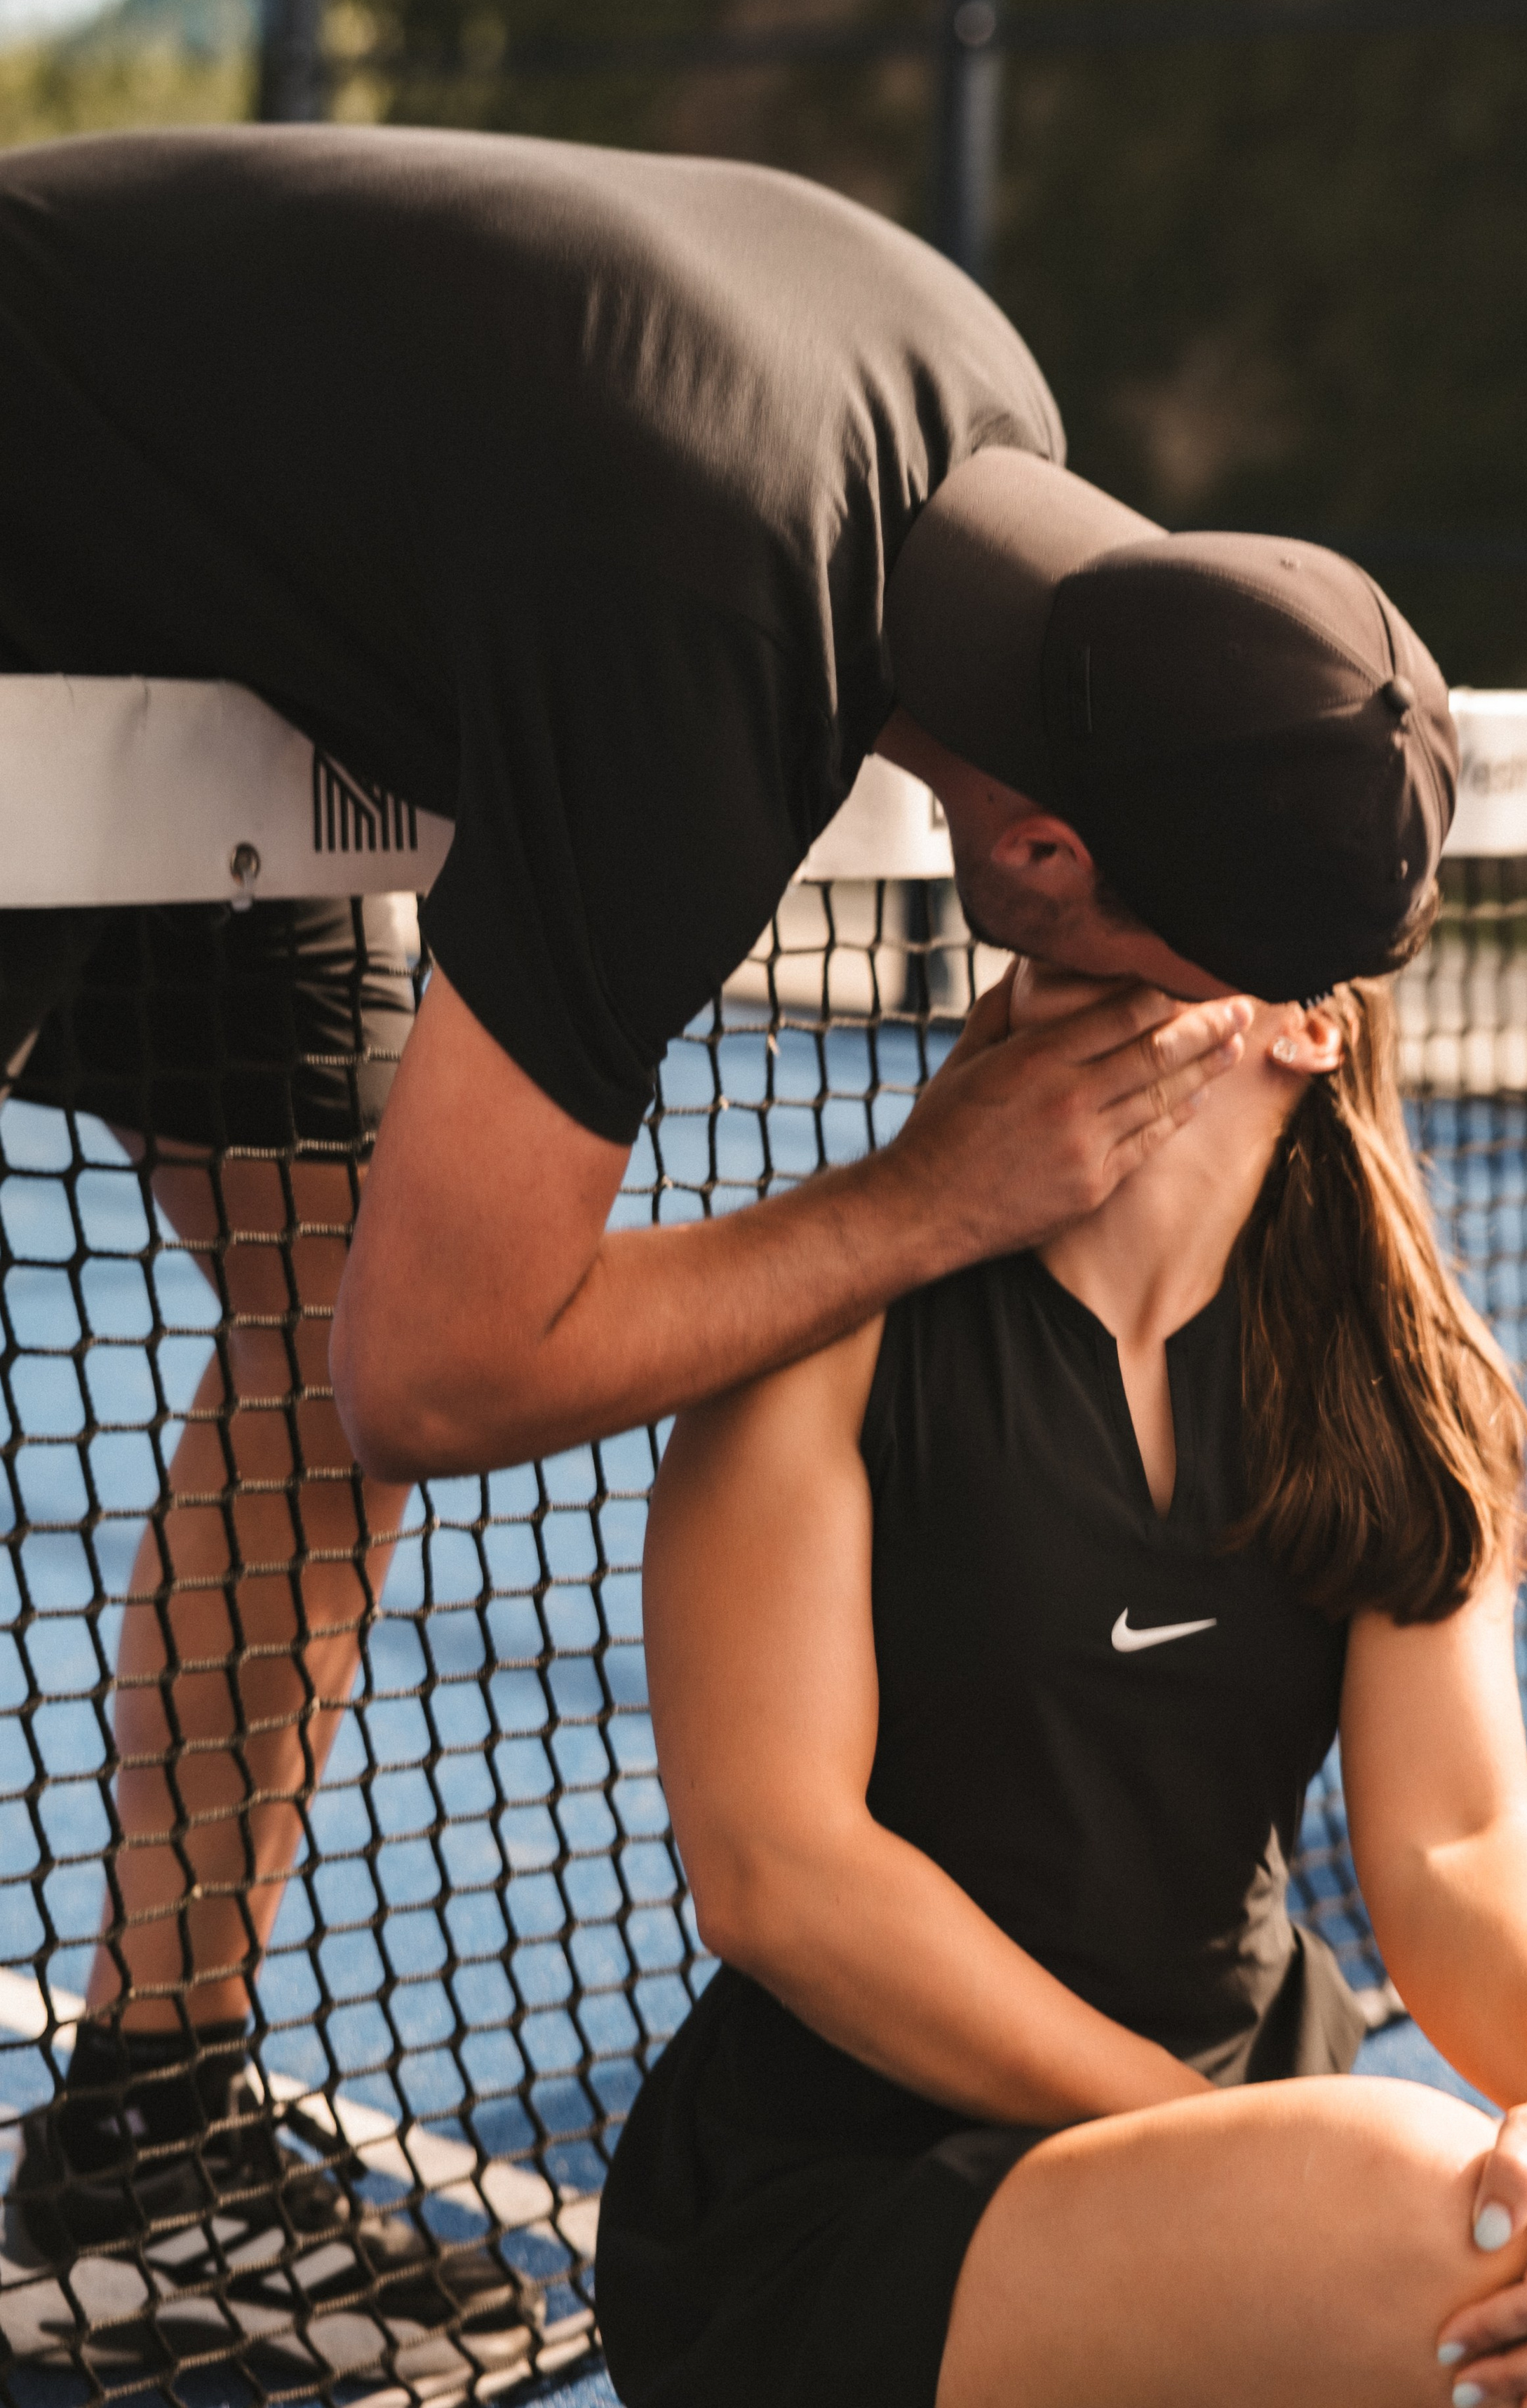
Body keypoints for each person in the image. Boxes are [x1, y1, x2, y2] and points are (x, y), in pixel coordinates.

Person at [0, 126, 1453, 2339]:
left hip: (197, 630)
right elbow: (453, 1365)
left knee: (309, 1309)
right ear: (1044, 858)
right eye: (1173, 988)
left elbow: (368, 1353)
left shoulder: (984, 427)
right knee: (368, 1343)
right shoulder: (705, 637)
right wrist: (930, 1193)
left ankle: (150, 2125)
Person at [589, 948, 1527, 2408]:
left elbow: (1455, 1842)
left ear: (1307, 1018)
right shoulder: (830, 1325)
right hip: (849, 2196)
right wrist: (1208, 2135)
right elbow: (779, 1873)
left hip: (1257, 2127)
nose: (1071, 918)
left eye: (1162, 896)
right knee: (1465, 2231)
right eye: (1063, 895)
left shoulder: (1402, 1385)